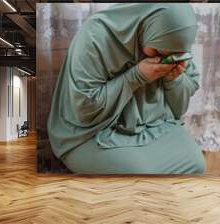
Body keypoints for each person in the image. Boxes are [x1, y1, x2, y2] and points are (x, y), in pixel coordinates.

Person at [47, 3, 205, 174]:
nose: (166, 58)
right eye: (160, 51)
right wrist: (136, 76)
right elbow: (85, 108)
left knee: (196, 164)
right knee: (138, 177)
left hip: (153, 125)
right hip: (93, 132)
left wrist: (172, 79)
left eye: (174, 55)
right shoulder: (95, 35)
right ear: (148, 26)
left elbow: (178, 108)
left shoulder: (174, 39)